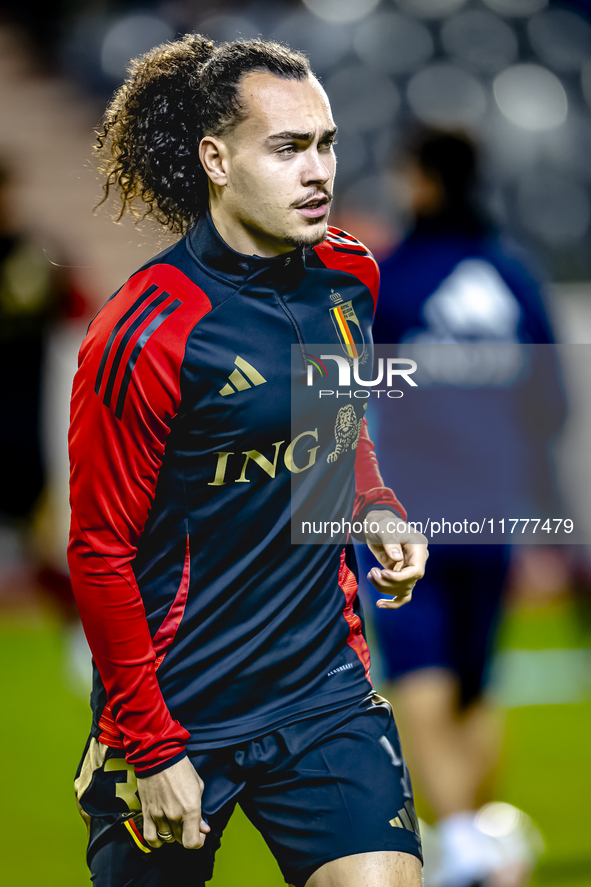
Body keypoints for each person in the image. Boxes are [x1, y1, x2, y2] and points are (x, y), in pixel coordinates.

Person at [68, 35, 428, 887]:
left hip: (322, 693)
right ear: (216, 159)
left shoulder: (349, 276)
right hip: (174, 711)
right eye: (287, 147)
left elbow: (341, 430)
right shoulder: (146, 330)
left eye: (326, 143)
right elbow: (99, 552)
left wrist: (375, 505)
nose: (318, 171)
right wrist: (152, 748)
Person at [364, 127, 561, 887]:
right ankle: (475, 840)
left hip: (409, 515)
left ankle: (456, 836)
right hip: (492, 511)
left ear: (420, 182)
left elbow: (336, 392)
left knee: (418, 673)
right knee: (478, 681)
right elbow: (551, 403)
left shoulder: (390, 278)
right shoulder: (512, 276)